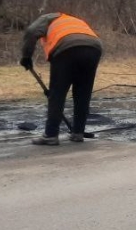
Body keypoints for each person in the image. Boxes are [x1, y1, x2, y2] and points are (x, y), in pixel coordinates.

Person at [20, 12, 103, 145]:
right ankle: (78, 133)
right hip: (94, 48)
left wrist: (26, 56)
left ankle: (51, 135)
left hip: (66, 48)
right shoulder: (74, 20)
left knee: (57, 93)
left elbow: (31, 31)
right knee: (83, 93)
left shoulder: (47, 18)